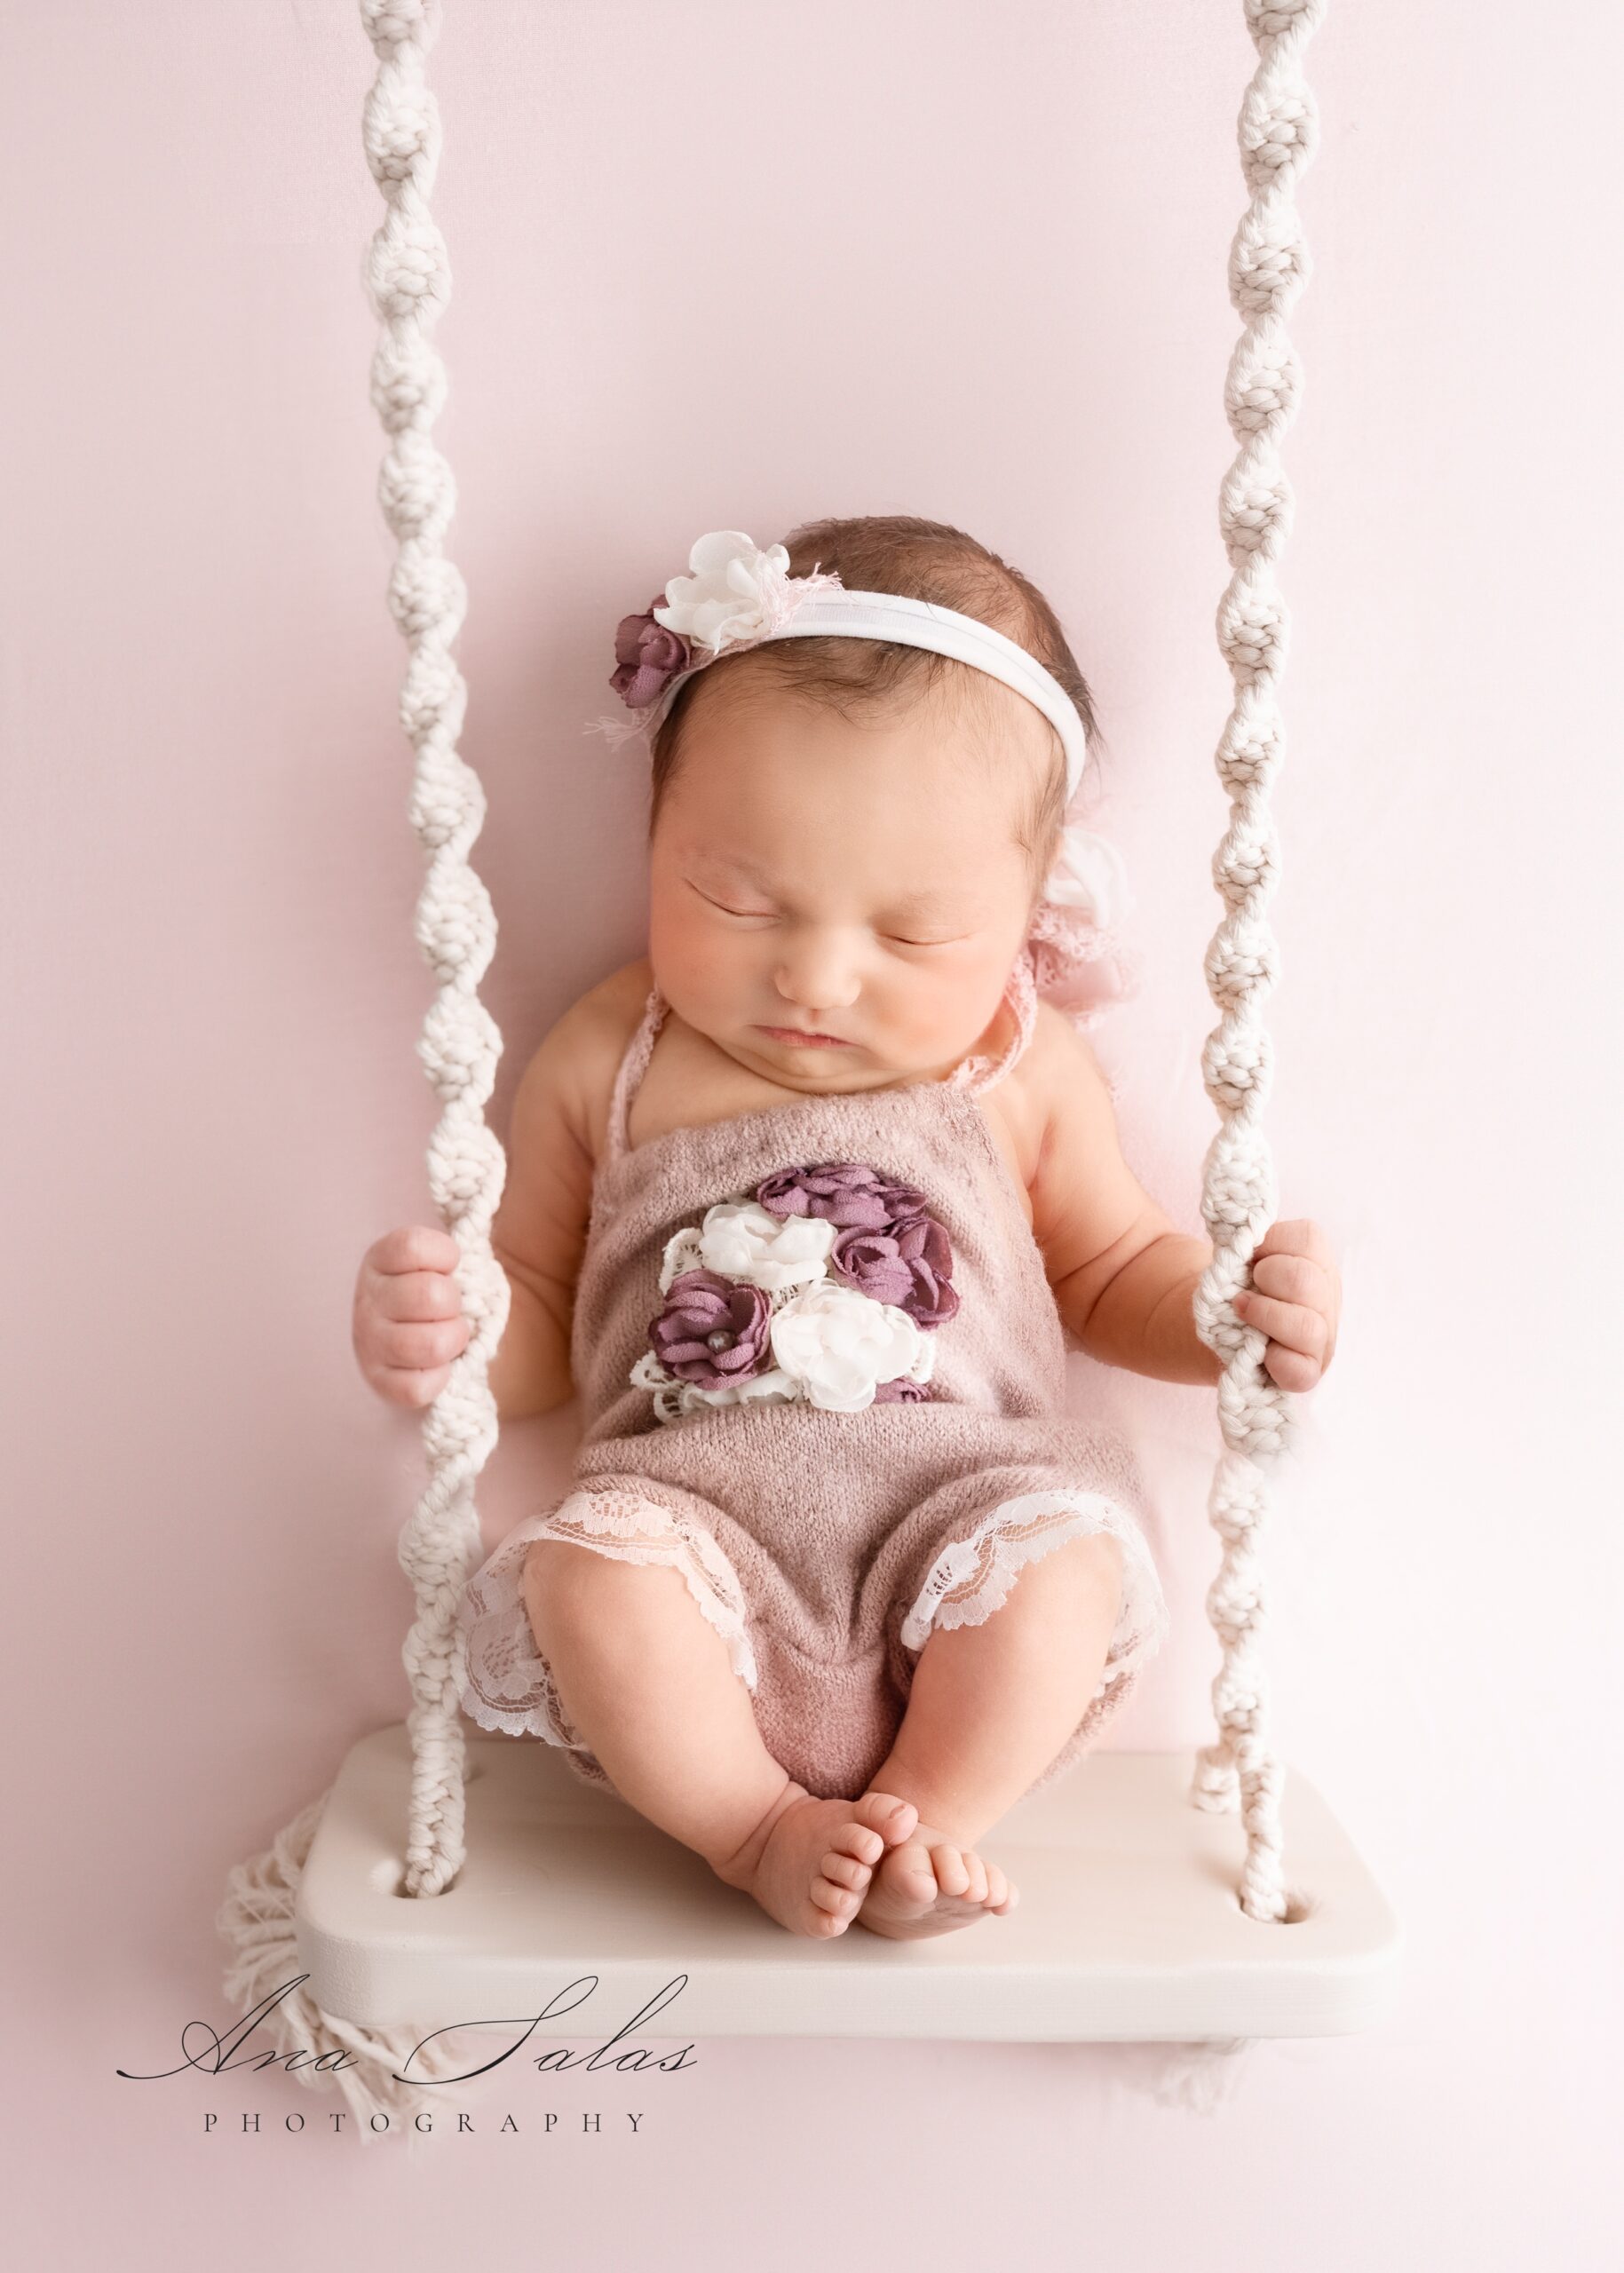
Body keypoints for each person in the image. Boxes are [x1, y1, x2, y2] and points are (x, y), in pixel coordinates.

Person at [352, 517, 1341, 1946]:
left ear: (1025, 904)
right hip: (694, 1527)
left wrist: (1225, 1314)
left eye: (915, 932)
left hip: (958, 1514)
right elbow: (537, 1321)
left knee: (1060, 1562)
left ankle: (927, 1823)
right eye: (735, 898)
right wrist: (449, 1337)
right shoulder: (605, 1055)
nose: (814, 975)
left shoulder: (1021, 1067)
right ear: (656, 839)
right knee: (591, 1577)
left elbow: (1114, 1270)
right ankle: (752, 1826)